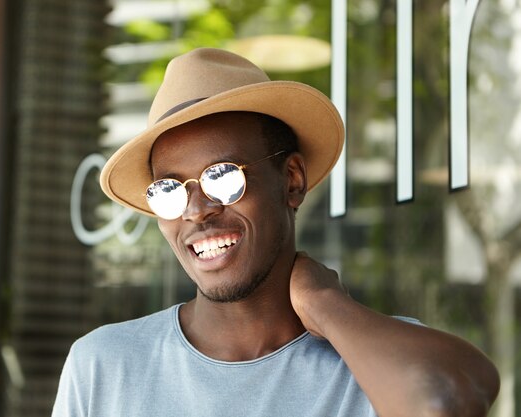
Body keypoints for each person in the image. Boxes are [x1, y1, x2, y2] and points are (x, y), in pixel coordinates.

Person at [52, 48, 499, 417]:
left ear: (291, 181)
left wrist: (326, 306)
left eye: (222, 176)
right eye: (169, 189)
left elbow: (448, 402)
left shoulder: (378, 360)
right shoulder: (106, 366)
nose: (197, 211)